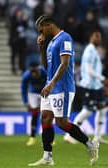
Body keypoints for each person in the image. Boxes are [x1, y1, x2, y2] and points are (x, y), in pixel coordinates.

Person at [28, 14, 99, 166]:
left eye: (41, 31)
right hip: (50, 86)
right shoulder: (51, 43)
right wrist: (41, 49)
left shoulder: (64, 38)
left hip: (62, 87)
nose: (41, 34)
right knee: (45, 117)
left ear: (49, 25)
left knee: (61, 122)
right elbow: (47, 68)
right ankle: (47, 157)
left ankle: (90, 144)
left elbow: (65, 63)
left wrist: (52, 84)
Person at [64, 29, 108, 144]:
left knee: (103, 108)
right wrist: (102, 79)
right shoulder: (89, 50)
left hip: (96, 86)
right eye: (96, 36)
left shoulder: (94, 50)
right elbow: (89, 70)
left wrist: (100, 83)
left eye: (99, 37)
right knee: (87, 111)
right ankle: (69, 135)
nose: (98, 38)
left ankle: (97, 137)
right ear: (91, 38)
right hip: (89, 86)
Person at [21, 61, 47, 146]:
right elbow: (23, 89)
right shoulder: (26, 76)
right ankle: (32, 137)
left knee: (46, 115)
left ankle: (48, 138)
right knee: (35, 114)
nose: (34, 75)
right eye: (32, 73)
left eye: (36, 72)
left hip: (44, 92)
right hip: (33, 94)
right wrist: (26, 102)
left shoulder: (44, 72)